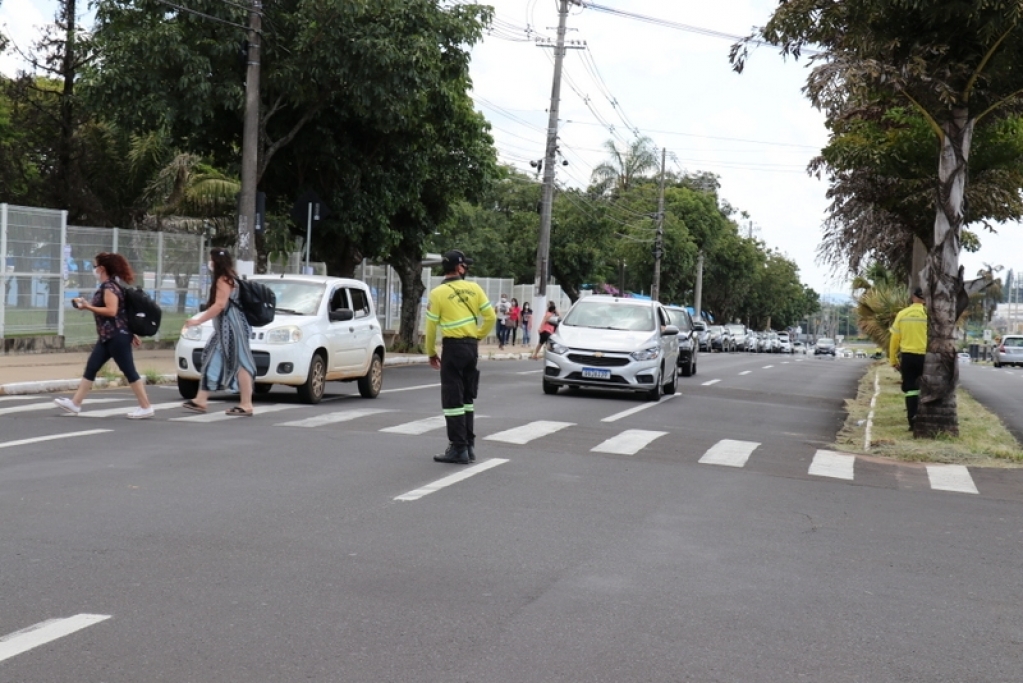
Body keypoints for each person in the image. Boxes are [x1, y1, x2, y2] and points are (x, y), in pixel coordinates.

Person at [54, 252, 154, 419]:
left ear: (101, 268)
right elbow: (120, 313)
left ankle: (146, 406)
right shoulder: (111, 286)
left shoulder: (109, 287)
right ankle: (75, 403)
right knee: (92, 367)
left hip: (116, 336)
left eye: (94, 266)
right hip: (108, 336)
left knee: (129, 371)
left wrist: (88, 307)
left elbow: (112, 310)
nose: (93, 269)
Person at [424, 250, 496, 464]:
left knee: (452, 399)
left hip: (453, 348)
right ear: (458, 267)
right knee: (467, 398)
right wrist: (477, 336)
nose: (467, 269)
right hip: (470, 347)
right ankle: (469, 446)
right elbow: (490, 317)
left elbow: (430, 328)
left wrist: (430, 352)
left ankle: (458, 448)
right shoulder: (474, 288)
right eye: (465, 266)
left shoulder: (437, 294)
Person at [181, 248, 257, 416]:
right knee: (210, 357)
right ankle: (201, 399)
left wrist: (198, 321)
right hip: (226, 328)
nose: (209, 263)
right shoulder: (232, 277)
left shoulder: (224, 280)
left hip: (232, 327)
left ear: (215, 262)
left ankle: (246, 404)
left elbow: (220, 305)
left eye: (210, 260)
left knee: (241, 363)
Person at [889, 287, 928, 429]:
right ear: (925, 299)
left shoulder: (902, 314)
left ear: (913, 297)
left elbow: (894, 340)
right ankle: (924, 417)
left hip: (908, 357)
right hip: (925, 357)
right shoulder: (928, 315)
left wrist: (893, 360)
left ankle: (912, 420)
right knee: (925, 388)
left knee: (910, 388)